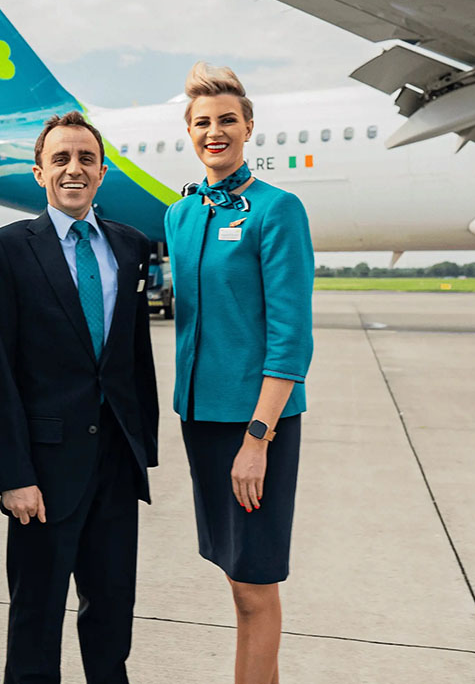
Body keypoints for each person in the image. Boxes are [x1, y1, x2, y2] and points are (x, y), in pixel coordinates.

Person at [0, 110, 159, 684]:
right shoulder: (5, 249)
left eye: (85, 159)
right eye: (60, 159)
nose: (73, 169)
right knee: (36, 615)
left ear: (103, 172)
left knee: (111, 613)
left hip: (114, 463)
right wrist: (12, 473)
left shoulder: (131, 246)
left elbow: (133, 358)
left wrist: (141, 450)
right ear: (39, 172)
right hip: (43, 468)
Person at [164, 62, 314, 684]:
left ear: (249, 127)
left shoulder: (276, 210)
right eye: (203, 122)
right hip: (201, 420)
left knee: (255, 585)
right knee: (235, 576)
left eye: (228, 120)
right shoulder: (181, 215)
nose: (215, 131)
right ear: (190, 133)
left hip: (256, 425)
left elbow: (291, 337)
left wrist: (258, 438)